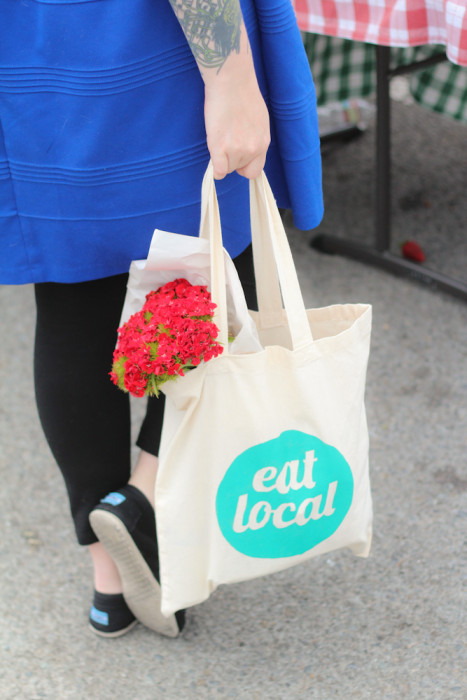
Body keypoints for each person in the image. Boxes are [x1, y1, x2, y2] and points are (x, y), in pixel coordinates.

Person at [0, 0, 323, 637]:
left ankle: (111, 581)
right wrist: (229, 77)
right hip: (152, 38)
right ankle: (143, 500)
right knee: (225, 274)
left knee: (72, 294)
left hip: (34, 47)